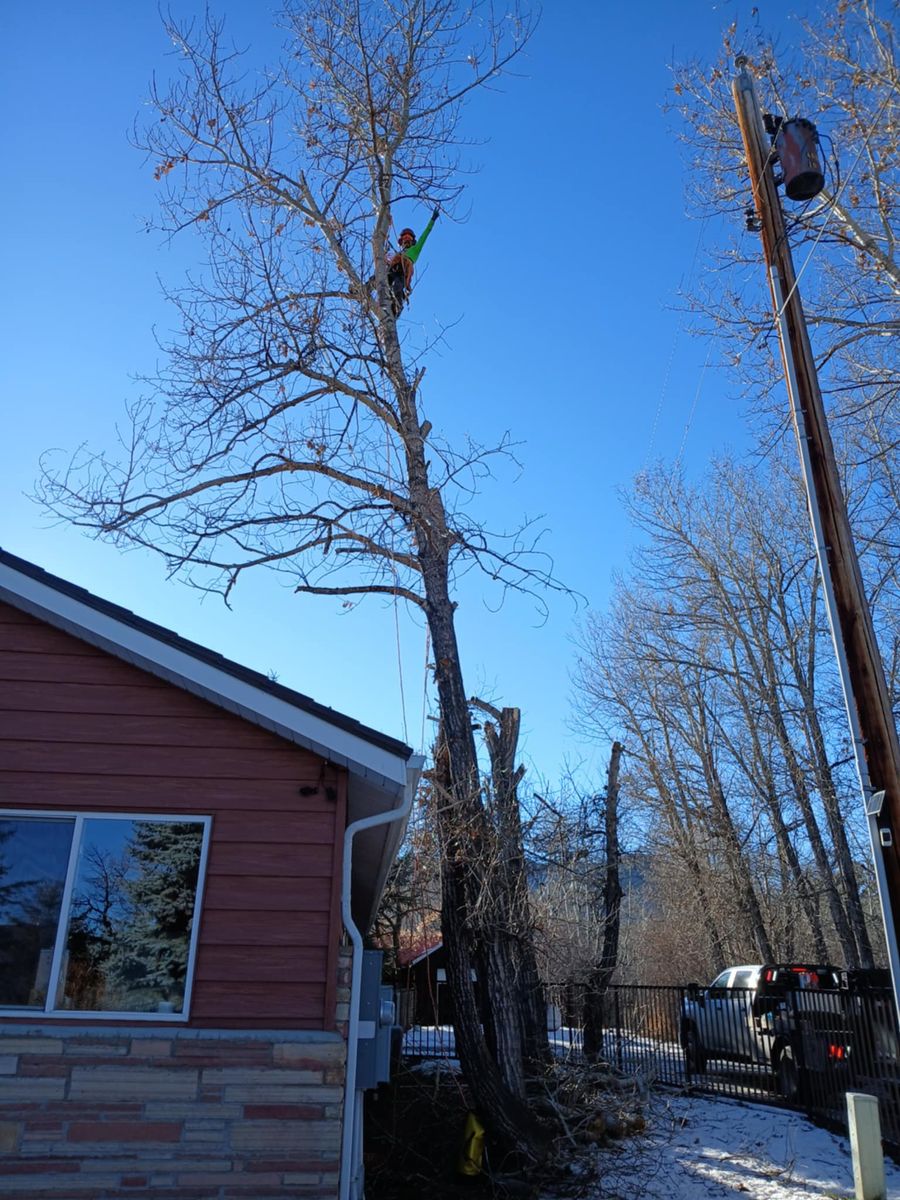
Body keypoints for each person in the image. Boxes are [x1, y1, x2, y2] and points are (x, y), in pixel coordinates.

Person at [387, 208, 439, 316]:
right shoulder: (398, 254)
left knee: (397, 286)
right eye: (404, 238)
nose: (406, 240)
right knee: (380, 278)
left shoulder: (415, 249)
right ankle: (364, 289)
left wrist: (432, 220)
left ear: (412, 241)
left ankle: (397, 306)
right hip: (393, 269)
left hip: (403, 271)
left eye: (408, 238)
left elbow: (425, 235)